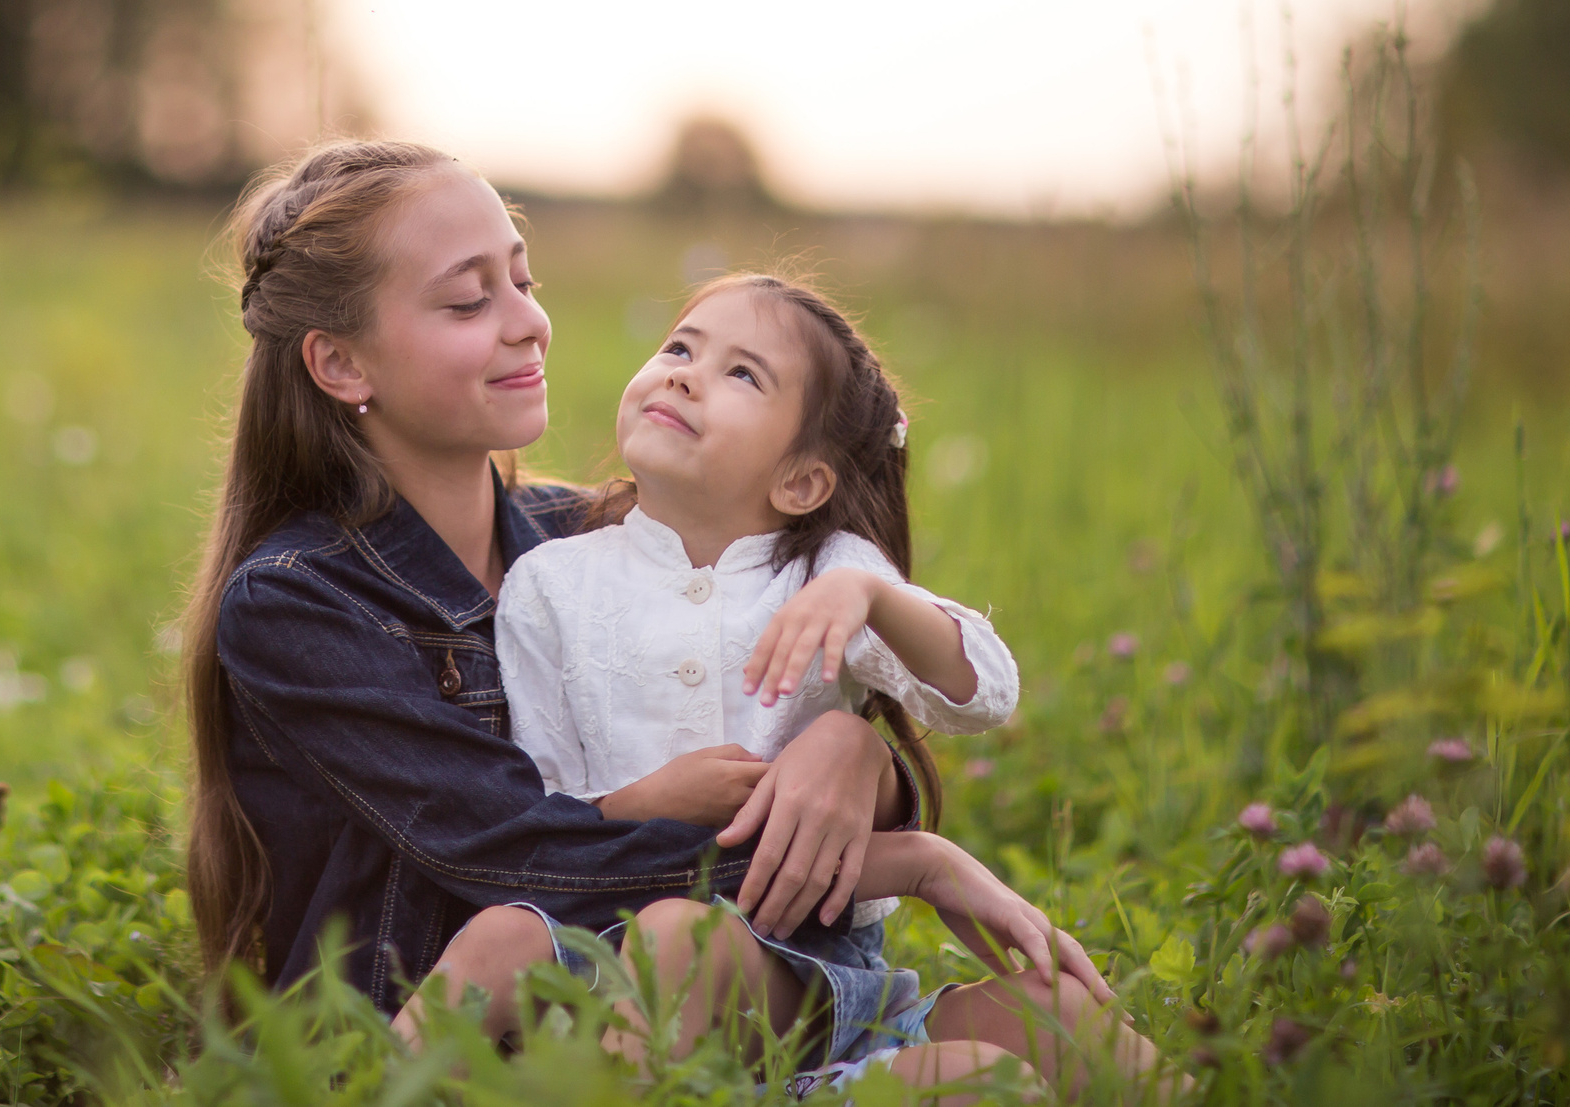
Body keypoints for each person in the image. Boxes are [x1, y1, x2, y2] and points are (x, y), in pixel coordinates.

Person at [182, 141, 908, 1020]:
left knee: (1038, 1020)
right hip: (417, 1052)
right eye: (467, 300)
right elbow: (511, 848)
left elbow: (774, 703)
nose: (528, 321)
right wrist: (904, 860)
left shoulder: (591, 539)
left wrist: (860, 755)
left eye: (522, 281)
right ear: (341, 363)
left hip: (633, 1004)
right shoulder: (298, 600)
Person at [480, 273, 1171, 1097]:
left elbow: (982, 691)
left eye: (743, 374)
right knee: (680, 939)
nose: (684, 373)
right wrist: (649, 797)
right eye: (679, 346)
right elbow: (544, 815)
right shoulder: (552, 584)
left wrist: (875, 595)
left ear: (801, 482)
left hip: (827, 976)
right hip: (636, 956)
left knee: (1060, 1013)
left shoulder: (825, 570)